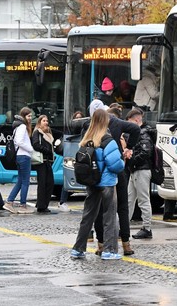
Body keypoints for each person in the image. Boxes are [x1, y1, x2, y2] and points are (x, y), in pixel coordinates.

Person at [70, 108, 125, 260]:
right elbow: (115, 165)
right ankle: (109, 250)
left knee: (88, 216)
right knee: (109, 217)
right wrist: (123, 160)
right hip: (107, 183)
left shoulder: (87, 139)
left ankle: (78, 248)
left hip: (91, 182)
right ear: (105, 121)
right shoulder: (107, 139)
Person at [125, 108, 154, 239]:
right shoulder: (142, 132)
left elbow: (146, 152)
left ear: (137, 120)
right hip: (136, 169)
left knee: (142, 200)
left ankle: (147, 228)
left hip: (141, 169)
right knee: (130, 199)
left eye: (130, 122)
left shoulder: (142, 133)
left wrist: (131, 160)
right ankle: (124, 226)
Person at [3, 107, 34, 214]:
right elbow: (19, 141)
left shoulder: (19, 126)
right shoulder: (22, 126)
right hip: (24, 156)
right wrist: (31, 149)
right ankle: (22, 205)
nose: (30, 118)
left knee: (21, 181)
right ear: (23, 116)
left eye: (31, 116)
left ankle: (9, 202)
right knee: (25, 181)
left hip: (20, 156)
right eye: (28, 116)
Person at [31, 114, 56, 214]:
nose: (46, 122)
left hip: (48, 161)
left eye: (47, 121)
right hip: (41, 161)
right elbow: (36, 145)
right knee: (42, 183)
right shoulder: (37, 132)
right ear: (39, 122)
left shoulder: (49, 133)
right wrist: (47, 151)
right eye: (44, 121)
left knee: (50, 182)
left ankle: (43, 203)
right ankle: (41, 206)